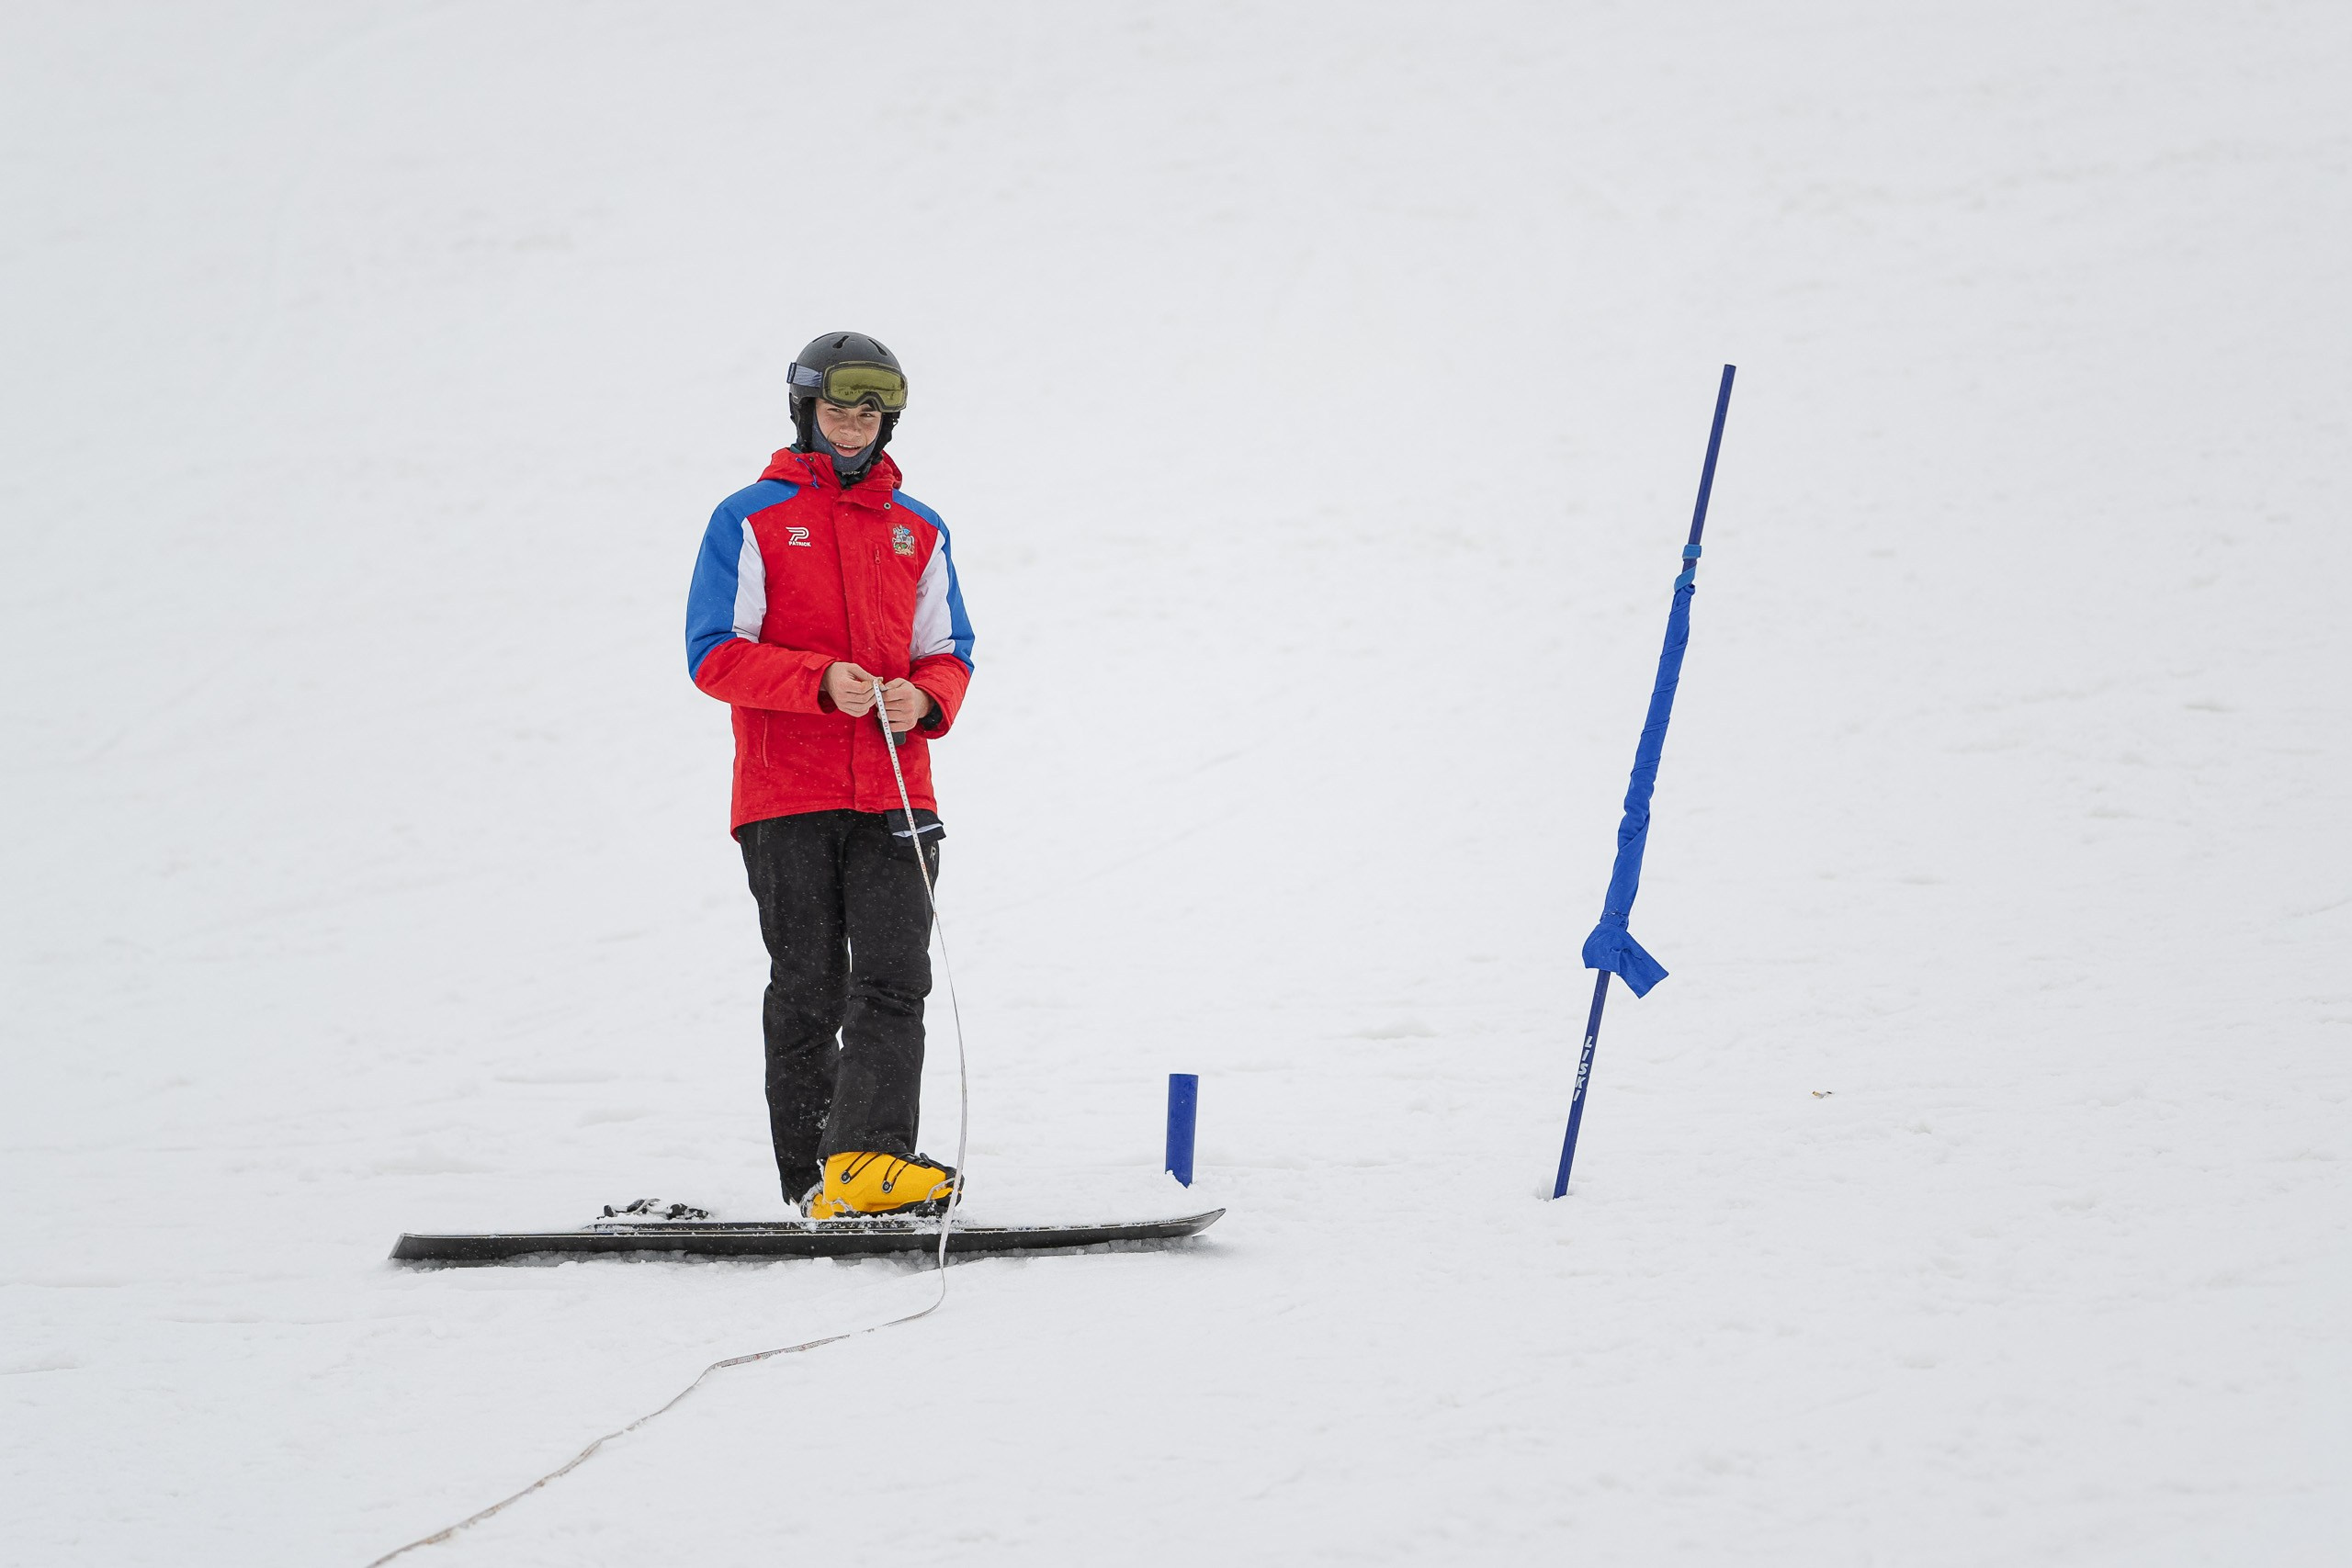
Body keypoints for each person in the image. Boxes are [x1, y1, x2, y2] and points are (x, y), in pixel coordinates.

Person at [683, 332, 974, 1218]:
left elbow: (949, 649)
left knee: (893, 977)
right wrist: (817, 681)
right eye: (839, 409)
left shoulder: (917, 528)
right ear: (804, 410)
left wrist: (923, 702)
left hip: (895, 791)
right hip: (787, 795)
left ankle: (869, 1163)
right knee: (807, 981)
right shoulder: (752, 517)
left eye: (870, 413)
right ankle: (811, 1178)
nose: (854, 426)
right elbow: (714, 652)